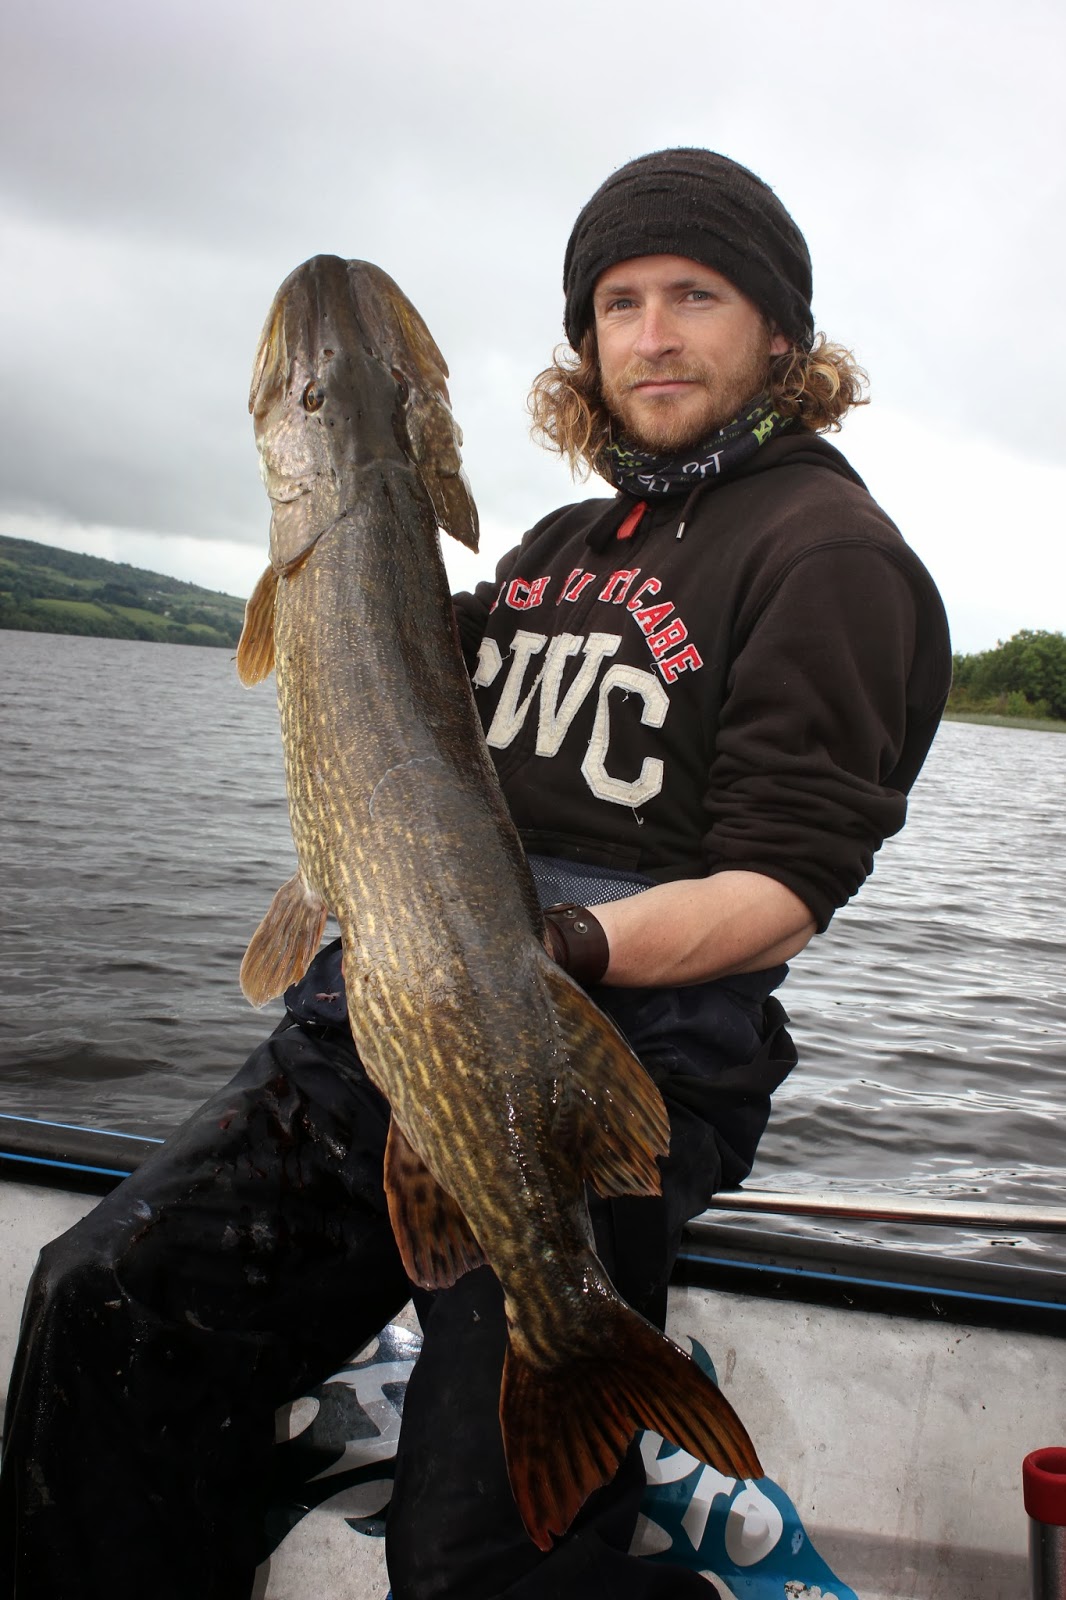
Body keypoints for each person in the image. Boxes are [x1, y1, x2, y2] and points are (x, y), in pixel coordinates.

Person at [0, 149, 951, 1599]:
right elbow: (384, 680)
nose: (649, 333)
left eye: (694, 294)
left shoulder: (829, 554)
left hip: (606, 1054)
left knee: (472, 1562)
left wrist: (553, 955)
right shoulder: (565, 545)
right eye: (615, 303)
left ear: (779, 335)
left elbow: (783, 889)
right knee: (101, 1301)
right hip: (385, 1006)